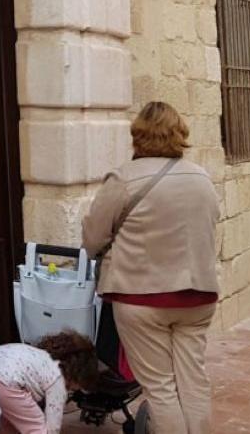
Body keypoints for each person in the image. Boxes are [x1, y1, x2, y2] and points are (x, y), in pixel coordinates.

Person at [82, 101, 220, 434]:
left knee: (160, 388)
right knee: (194, 382)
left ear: (137, 136)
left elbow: (92, 238)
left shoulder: (123, 179)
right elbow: (211, 226)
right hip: (198, 297)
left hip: (141, 299)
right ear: (180, 134)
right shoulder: (202, 178)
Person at [0, 331, 99, 434]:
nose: (76, 389)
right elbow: (53, 428)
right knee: (37, 427)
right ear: (78, 375)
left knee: (10, 423)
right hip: (8, 381)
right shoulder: (57, 380)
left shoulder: (41, 356)